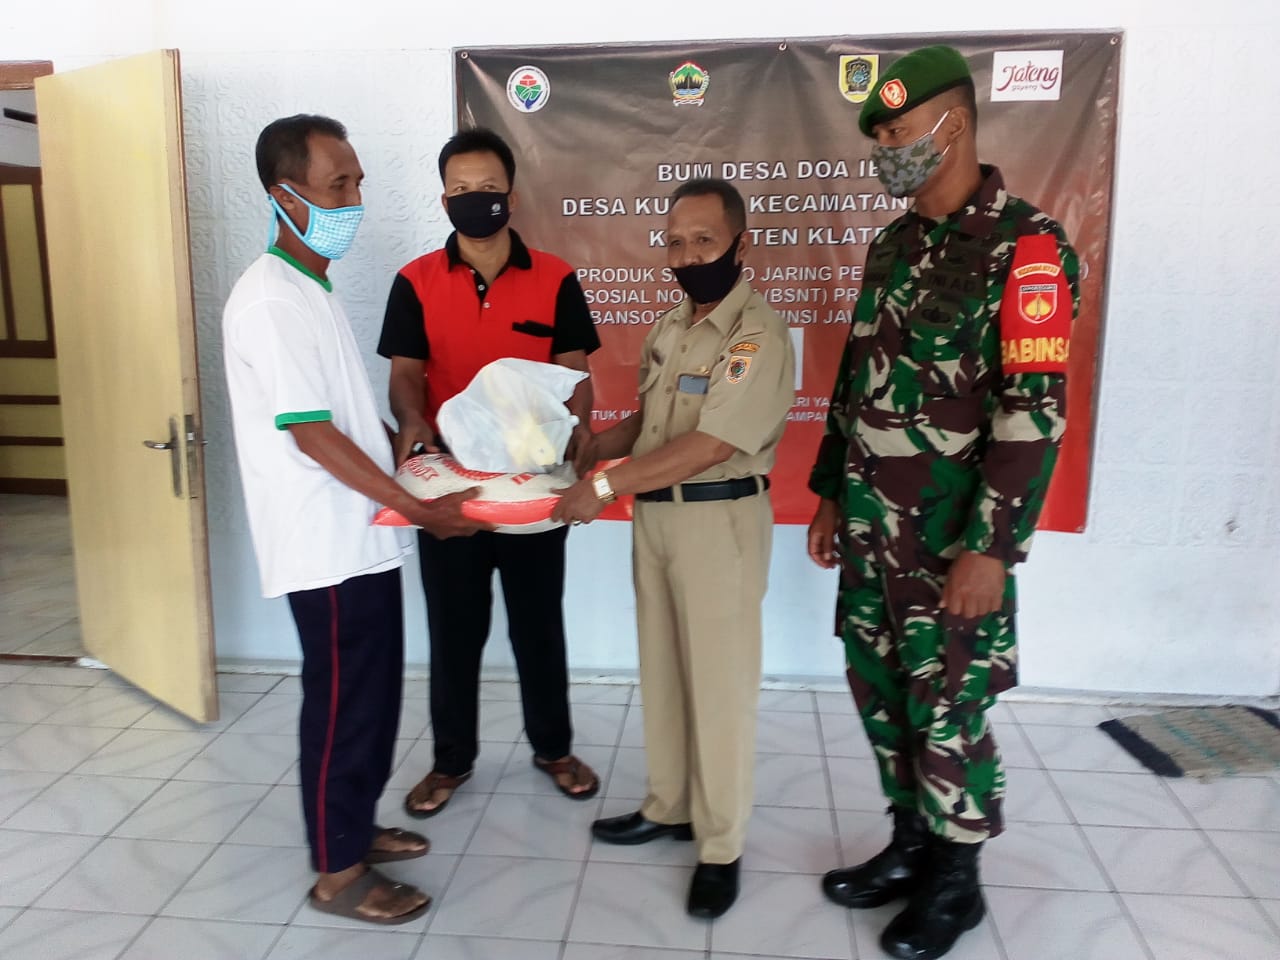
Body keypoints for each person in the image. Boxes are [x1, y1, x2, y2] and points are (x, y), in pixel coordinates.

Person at [806, 47, 1080, 960]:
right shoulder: (892, 245)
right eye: (880, 135)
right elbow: (855, 383)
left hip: (951, 539)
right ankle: (911, 843)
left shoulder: (1027, 248)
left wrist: (992, 549)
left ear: (952, 124)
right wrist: (827, 495)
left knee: (950, 702)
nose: (887, 148)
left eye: (898, 131)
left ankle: (957, 880)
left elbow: (1033, 412)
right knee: (881, 687)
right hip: (871, 528)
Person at [222, 114, 485, 925]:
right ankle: (337, 873)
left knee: (372, 699)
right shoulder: (271, 299)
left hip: (360, 535)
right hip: (323, 543)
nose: (354, 200)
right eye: (337, 186)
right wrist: (418, 508)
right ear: (285, 196)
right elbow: (308, 433)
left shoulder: (313, 289)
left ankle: (355, 827)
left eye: (358, 182)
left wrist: (401, 448)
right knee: (341, 704)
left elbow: (336, 415)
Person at [554, 178, 795, 919]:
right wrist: (596, 447)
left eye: (704, 241)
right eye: (676, 243)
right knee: (662, 672)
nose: (688, 256)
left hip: (718, 523)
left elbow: (711, 443)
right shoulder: (670, 326)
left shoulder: (756, 335)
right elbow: (654, 421)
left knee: (719, 690)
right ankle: (669, 806)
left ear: (740, 245)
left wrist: (602, 487)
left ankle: (721, 846)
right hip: (656, 518)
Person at [378, 127, 603, 818]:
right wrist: (410, 420)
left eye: (489, 188)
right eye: (462, 189)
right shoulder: (415, 281)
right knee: (454, 631)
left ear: (511, 194)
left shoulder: (555, 277)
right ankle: (451, 761)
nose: (476, 199)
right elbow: (406, 375)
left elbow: (575, 374)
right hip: (452, 486)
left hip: (534, 483)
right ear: (444, 198)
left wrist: (578, 429)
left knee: (538, 626)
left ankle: (554, 748)